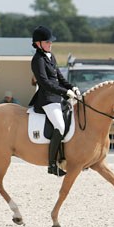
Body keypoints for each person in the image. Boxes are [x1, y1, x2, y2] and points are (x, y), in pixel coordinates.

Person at [29, 25, 81, 176]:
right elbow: (45, 83)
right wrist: (65, 92)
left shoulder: (51, 57)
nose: (50, 44)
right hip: (47, 99)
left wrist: (72, 87)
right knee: (60, 125)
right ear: (38, 44)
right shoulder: (37, 60)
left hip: (58, 98)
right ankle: (52, 165)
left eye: (50, 42)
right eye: (47, 42)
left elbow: (60, 78)